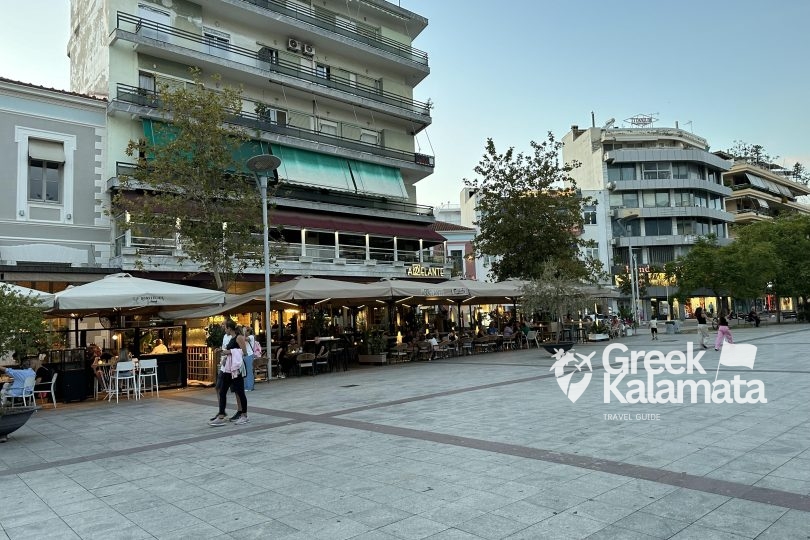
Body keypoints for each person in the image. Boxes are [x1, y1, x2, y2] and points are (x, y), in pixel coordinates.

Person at [210, 319, 249, 426]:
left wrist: (230, 351)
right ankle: (221, 415)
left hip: (236, 369)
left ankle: (244, 415)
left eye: (225, 327)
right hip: (229, 368)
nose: (224, 329)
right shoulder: (232, 338)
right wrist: (223, 351)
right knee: (222, 391)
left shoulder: (239, 337)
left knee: (240, 392)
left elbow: (244, 353)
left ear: (229, 328)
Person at [242, 327, 256, 391]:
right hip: (244, 355)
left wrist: (243, 333)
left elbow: (245, 339)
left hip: (249, 355)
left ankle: (250, 387)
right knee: (245, 372)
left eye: (246, 331)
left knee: (249, 371)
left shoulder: (251, 337)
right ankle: (245, 386)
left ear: (248, 332)